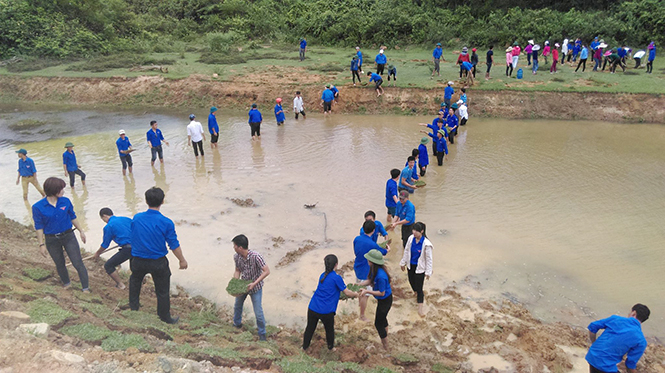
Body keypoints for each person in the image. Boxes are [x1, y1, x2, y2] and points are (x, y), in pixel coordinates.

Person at [130, 187, 187, 323]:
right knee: (162, 290)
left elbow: (133, 235)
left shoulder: (137, 218)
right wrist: (182, 260)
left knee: (135, 282)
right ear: (162, 201)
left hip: (138, 259)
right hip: (158, 261)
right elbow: (173, 244)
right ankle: (164, 317)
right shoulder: (166, 222)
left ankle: (134, 308)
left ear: (146, 201)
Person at [32, 177, 89, 292]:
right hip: (52, 239)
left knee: (77, 262)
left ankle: (85, 288)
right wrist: (41, 244)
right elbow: (39, 226)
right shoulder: (37, 207)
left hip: (68, 236)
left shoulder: (65, 201)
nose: (63, 191)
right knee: (59, 263)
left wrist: (81, 230)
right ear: (53, 190)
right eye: (61, 189)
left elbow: (73, 217)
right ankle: (67, 283)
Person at [302, 254, 359, 351]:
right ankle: (331, 348)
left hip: (313, 307)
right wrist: (356, 294)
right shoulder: (337, 278)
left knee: (310, 329)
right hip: (326, 311)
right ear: (336, 265)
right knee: (329, 330)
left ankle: (304, 347)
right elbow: (346, 292)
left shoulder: (322, 276)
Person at [585, 304, 650, 373]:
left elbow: (592, 327)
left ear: (633, 313)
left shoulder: (615, 319)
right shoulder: (641, 340)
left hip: (592, 356)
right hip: (606, 366)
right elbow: (630, 365)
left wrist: (594, 343)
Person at [232, 234, 270, 340]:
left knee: (258, 312)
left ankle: (262, 334)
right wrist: (235, 282)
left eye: (234, 245)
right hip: (244, 285)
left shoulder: (256, 256)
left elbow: (267, 271)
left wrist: (254, 283)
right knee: (237, 306)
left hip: (256, 288)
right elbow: (237, 270)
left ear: (240, 247)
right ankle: (237, 324)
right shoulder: (236, 257)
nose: (233, 248)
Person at [353, 221, 389, 322]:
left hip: (357, 267)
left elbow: (356, 252)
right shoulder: (372, 244)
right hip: (366, 271)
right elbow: (382, 252)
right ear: (373, 231)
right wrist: (387, 249)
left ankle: (360, 304)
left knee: (360, 287)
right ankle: (362, 315)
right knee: (365, 294)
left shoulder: (356, 239)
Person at [358, 249, 392, 350]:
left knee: (378, 323)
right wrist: (359, 285)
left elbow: (382, 293)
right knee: (383, 318)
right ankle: (386, 336)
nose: (367, 261)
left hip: (385, 300)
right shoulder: (374, 269)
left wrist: (367, 292)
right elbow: (370, 280)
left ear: (372, 261)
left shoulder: (381, 276)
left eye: (368, 259)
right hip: (382, 300)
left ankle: (385, 345)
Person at [399, 222, 433, 317]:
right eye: (413, 230)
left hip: (420, 268)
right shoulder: (410, 239)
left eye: (416, 230)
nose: (414, 232)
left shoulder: (426, 244)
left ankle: (420, 309)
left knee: (419, 288)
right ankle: (416, 292)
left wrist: (428, 272)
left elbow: (429, 259)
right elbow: (406, 251)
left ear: (422, 231)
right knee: (411, 281)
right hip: (411, 265)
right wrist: (403, 262)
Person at [94, 207, 132, 289]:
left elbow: (105, 245)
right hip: (139, 246)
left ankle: (120, 285)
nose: (104, 221)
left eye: (102, 219)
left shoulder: (108, 227)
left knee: (108, 265)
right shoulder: (126, 219)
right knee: (135, 267)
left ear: (104, 216)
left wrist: (97, 253)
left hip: (128, 248)